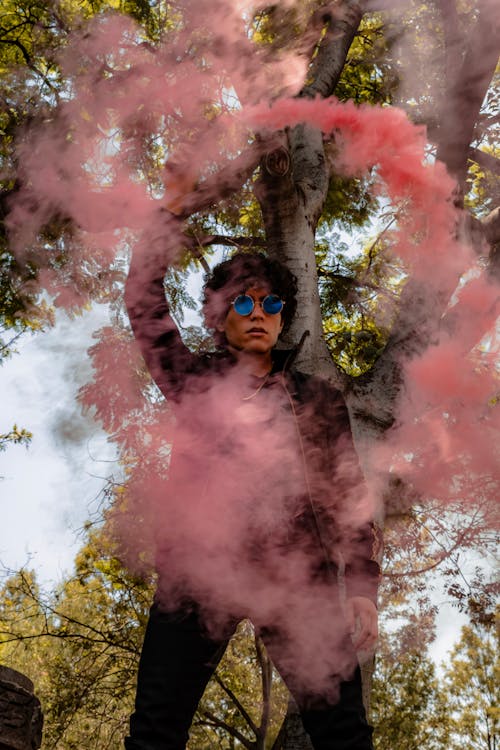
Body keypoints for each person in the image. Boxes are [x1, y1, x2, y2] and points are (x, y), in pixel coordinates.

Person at [123, 222, 380, 750]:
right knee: (154, 730)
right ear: (220, 318)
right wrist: (165, 218)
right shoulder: (193, 382)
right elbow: (145, 307)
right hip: (199, 575)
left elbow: (348, 495)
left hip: (296, 576)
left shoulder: (318, 399)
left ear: (284, 315)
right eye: (241, 304)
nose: (257, 313)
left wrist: (360, 587)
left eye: (270, 304)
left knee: (345, 734)